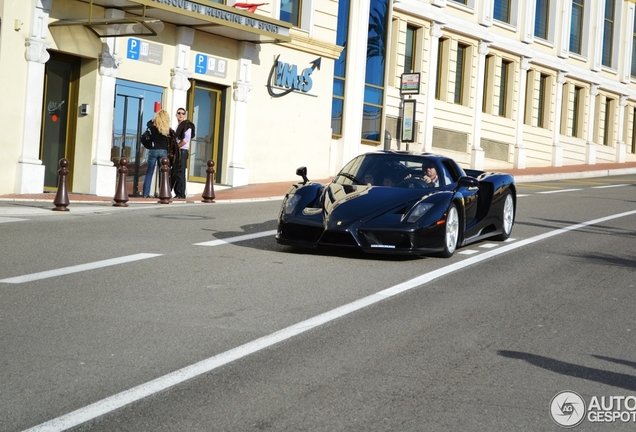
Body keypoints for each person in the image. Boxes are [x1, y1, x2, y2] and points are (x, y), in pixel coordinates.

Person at [142, 109, 172, 198]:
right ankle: (162, 193)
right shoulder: (167, 130)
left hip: (153, 150)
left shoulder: (153, 127)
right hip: (163, 151)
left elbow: (148, 123)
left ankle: (145, 194)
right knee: (162, 173)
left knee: (149, 172)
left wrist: (154, 120)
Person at [172, 108, 195, 199]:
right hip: (178, 151)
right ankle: (177, 193)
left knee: (181, 171)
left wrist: (177, 146)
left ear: (185, 115)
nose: (181, 115)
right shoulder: (177, 126)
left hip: (182, 151)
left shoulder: (187, 125)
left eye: (183, 113)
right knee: (176, 171)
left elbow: (186, 139)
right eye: (179, 113)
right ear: (176, 115)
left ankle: (181, 194)